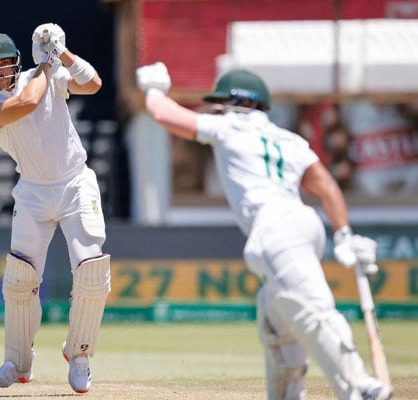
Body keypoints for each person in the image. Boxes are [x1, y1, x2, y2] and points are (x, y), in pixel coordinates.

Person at [135, 63, 393, 400]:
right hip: (303, 222)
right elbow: (326, 186)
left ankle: (360, 387)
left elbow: (164, 114)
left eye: (223, 102)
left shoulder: (230, 127)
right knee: (275, 319)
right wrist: (343, 234)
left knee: (314, 309)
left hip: (275, 228)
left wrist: (154, 87)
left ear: (240, 103)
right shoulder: (289, 139)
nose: (218, 108)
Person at [0, 24, 111, 394]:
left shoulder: (46, 73)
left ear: (16, 62)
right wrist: (48, 65)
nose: (0, 71)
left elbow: (94, 83)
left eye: (4, 63)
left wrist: (62, 52)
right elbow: (28, 103)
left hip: (75, 183)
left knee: (91, 270)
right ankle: (17, 364)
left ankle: (79, 355)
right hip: (33, 192)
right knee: (20, 279)